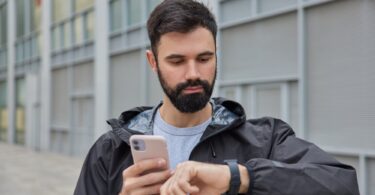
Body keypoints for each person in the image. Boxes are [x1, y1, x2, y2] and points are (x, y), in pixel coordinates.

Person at [74, 0, 360, 194]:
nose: (193, 73)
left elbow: (343, 184)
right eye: (176, 61)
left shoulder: (265, 140)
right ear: (153, 61)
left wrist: (239, 178)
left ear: (216, 55)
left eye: (204, 58)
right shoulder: (110, 151)